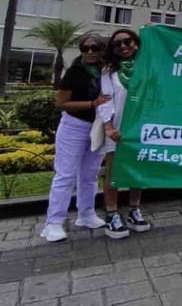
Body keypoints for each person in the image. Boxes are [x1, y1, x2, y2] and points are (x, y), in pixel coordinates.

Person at [41, 34, 110, 242]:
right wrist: (92, 104)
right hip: (74, 126)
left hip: (96, 127)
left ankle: (86, 213)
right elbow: (61, 103)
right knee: (65, 175)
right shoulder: (73, 72)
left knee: (90, 174)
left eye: (94, 47)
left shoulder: (106, 71)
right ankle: (53, 222)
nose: (89, 51)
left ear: (102, 50)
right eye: (85, 47)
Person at [97, 29, 151, 238]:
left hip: (141, 129)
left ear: (136, 43)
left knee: (138, 170)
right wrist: (109, 127)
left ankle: (134, 209)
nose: (123, 46)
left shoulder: (148, 68)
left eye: (127, 41)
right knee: (113, 171)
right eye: (117, 44)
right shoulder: (108, 71)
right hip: (118, 129)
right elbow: (105, 100)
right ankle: (111, 213)